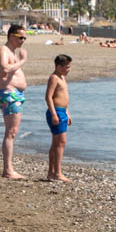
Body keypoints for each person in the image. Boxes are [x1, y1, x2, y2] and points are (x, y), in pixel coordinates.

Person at [0, 24, 30, 179]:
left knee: (12, 132)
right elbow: (5, 69)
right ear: (11, 36)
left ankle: (8, 168)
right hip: (9, 94)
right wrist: (23, 60)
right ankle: (8, 170)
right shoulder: (3, 50)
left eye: (25, 38)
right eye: (21, 37)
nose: (23, 40)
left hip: (15, 94)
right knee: (11, 132)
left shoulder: (11, 52)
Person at [44, 53, 73, 182]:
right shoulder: (54, 78)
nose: (68, 69)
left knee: (56, 143)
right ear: (58, 66)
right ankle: (57, 172)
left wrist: (67, 112)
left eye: (69, 67)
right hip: (56, 111)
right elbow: (48, 97)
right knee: (61, 142)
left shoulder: (62, 77)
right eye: (66, 67)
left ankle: (51, 172)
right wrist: (54, 114)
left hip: (62, 111)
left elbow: (63, 97)